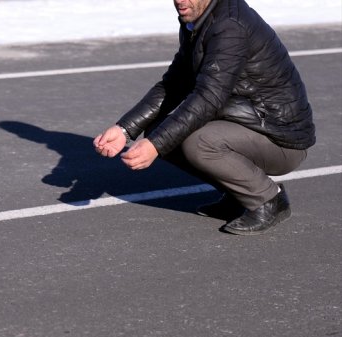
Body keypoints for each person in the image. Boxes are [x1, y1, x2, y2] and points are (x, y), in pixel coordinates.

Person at [93, 0, 315, 235]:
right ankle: (238, 194)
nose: (180, 0)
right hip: (246, 122)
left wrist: (156, 145)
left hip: (280, 136)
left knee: (196, 142)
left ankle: (268, 200)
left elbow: (208, 97)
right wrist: (124, 129)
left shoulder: (229, 26)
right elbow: (174, 85)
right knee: (159, 130)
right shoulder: (199, 22)